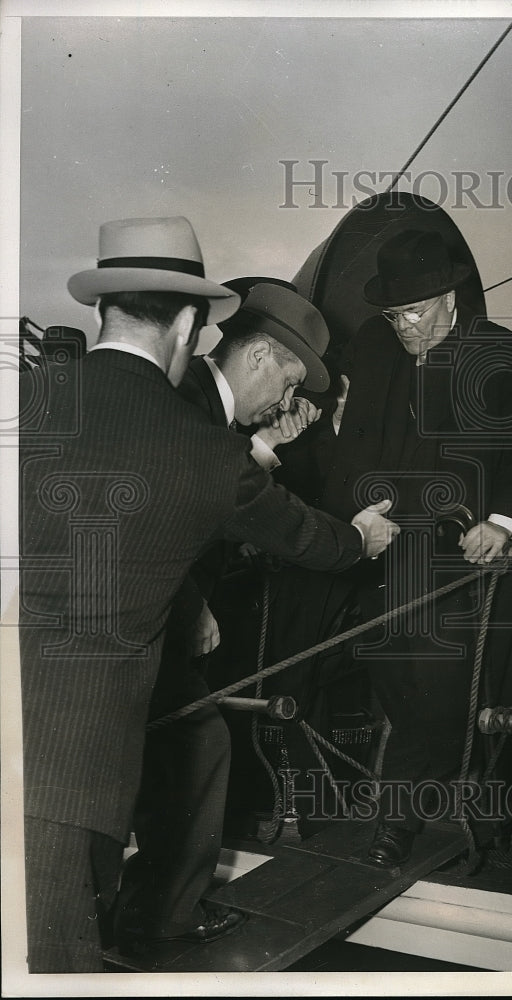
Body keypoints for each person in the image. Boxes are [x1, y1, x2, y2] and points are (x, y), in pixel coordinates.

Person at [18, 216, 399, 972]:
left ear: (104, 309)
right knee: (56, 960)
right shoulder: (202, 451)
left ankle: (155, 917)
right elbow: (304, 538)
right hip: (78, 755)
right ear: (192, 323)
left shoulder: (28, 397)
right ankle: (153, 921)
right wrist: (360, 538)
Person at [270, 227, 512, 867]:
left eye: (415, 313)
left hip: (460, 560)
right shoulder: (376, 346)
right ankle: (398, 812)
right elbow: (356, 446)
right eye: (394, 315)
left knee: (442, 692)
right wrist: (349, 517)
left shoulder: (502, 355)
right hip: (383, 550)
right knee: (391, 683)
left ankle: (398, 826)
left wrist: (504, 523)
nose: (405, 328)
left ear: (451, 297)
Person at [115, 280, 342, 955]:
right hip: (143, 621)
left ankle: (146, 907)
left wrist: (266, 444)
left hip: (143, 620)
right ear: (262, 357)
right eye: (290, 381)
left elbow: (213, 494)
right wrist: (189, 604)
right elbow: (150, 517)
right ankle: (156, 913)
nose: (287, 402)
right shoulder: (186, 408)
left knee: (181, 749)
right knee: (195, 743)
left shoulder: (201, 406)